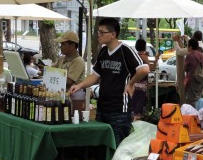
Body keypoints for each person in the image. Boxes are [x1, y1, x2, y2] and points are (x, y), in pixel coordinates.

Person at [69, 18, 150, 147]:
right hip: (102, 109)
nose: (99, 35)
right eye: (98, 32)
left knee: (117, 149)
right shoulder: (103, 52)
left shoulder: (125, 50)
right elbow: (95, 76)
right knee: (100, 148)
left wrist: (130, 83)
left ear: (113, 34)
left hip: (119, 111)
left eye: (102, 32)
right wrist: (79, 86)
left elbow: (144, 69)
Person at [54, 31, 87, 111]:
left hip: (72, 101)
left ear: (72, 45)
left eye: (63, 44)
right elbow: (50, 69)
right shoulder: (62, 59)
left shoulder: (78, 61)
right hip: (59, 98)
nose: (61, 47)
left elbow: (68, 81)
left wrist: (52, 74)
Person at [132, 38, 155, 120]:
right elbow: (149, 69)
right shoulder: (145, 57)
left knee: (134, 106)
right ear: (145, 47)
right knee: (140, 108)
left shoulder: (134, 56)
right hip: (142, 86)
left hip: (133, 85)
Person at [183, 38, 203, 108]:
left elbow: (184, 68)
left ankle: (193, 116)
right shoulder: (202, 55)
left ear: (190, 46)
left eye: (188, 46)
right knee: (199, 100)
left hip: (192, 80)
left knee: (191, 101)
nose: (187, 47)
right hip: (201, 79)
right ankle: (199, 115)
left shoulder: (190, 56)